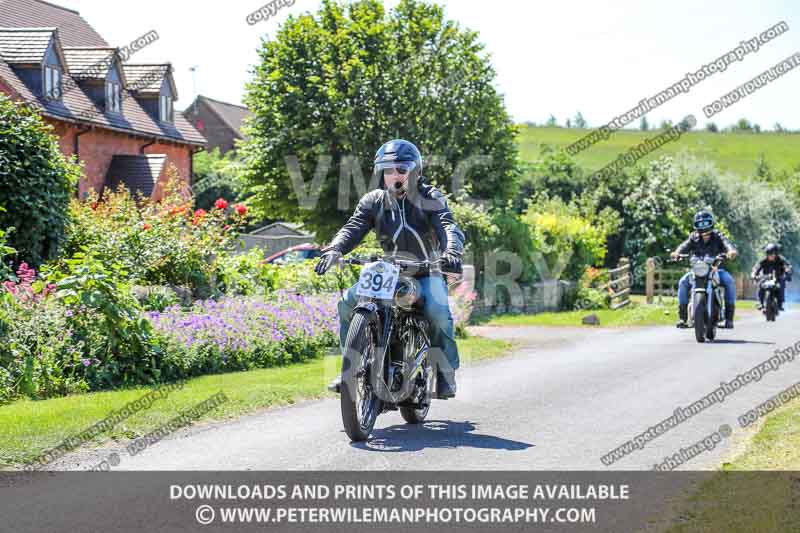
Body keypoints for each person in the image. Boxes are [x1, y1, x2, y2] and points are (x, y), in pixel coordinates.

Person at [315, 139, 465, 399]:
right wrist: (335, 249)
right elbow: (353, 228)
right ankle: (351, 369)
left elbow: (448, 226)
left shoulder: (430, 198)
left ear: (415, 172)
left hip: (426, 270)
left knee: (437, 311)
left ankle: (445, 371)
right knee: (348, 304)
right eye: (387, 171)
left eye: (400, 170)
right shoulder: (373, 201)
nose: (394, 176)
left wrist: (451, 251)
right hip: (389, 272)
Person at [670, 211, 738, 329]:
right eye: (700, 224)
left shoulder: (718, 236)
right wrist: (677, 253)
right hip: (697, 270)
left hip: (714, 270)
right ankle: (683, 318)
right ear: (696, 225)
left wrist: (730, 251)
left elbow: (727, 244)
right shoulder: (693, 237)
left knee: (729, 281)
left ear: (711, 223)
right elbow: (684, 246)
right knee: (683, 282)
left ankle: (729, 318)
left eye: (706, 223)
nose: (703, 227)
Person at [751, 243, 793, 311]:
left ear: (776, 254)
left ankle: (780, 303)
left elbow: (787, 266)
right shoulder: (763, 260)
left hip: (778, 278)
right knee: (761, 284)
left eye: (773, 254)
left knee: (782, 284)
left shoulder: (781, 259)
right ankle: (760, 303)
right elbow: (756, 267)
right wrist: (753, 275)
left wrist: (788, 273)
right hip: (766, 278)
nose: (771, 256)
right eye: (769, 254)